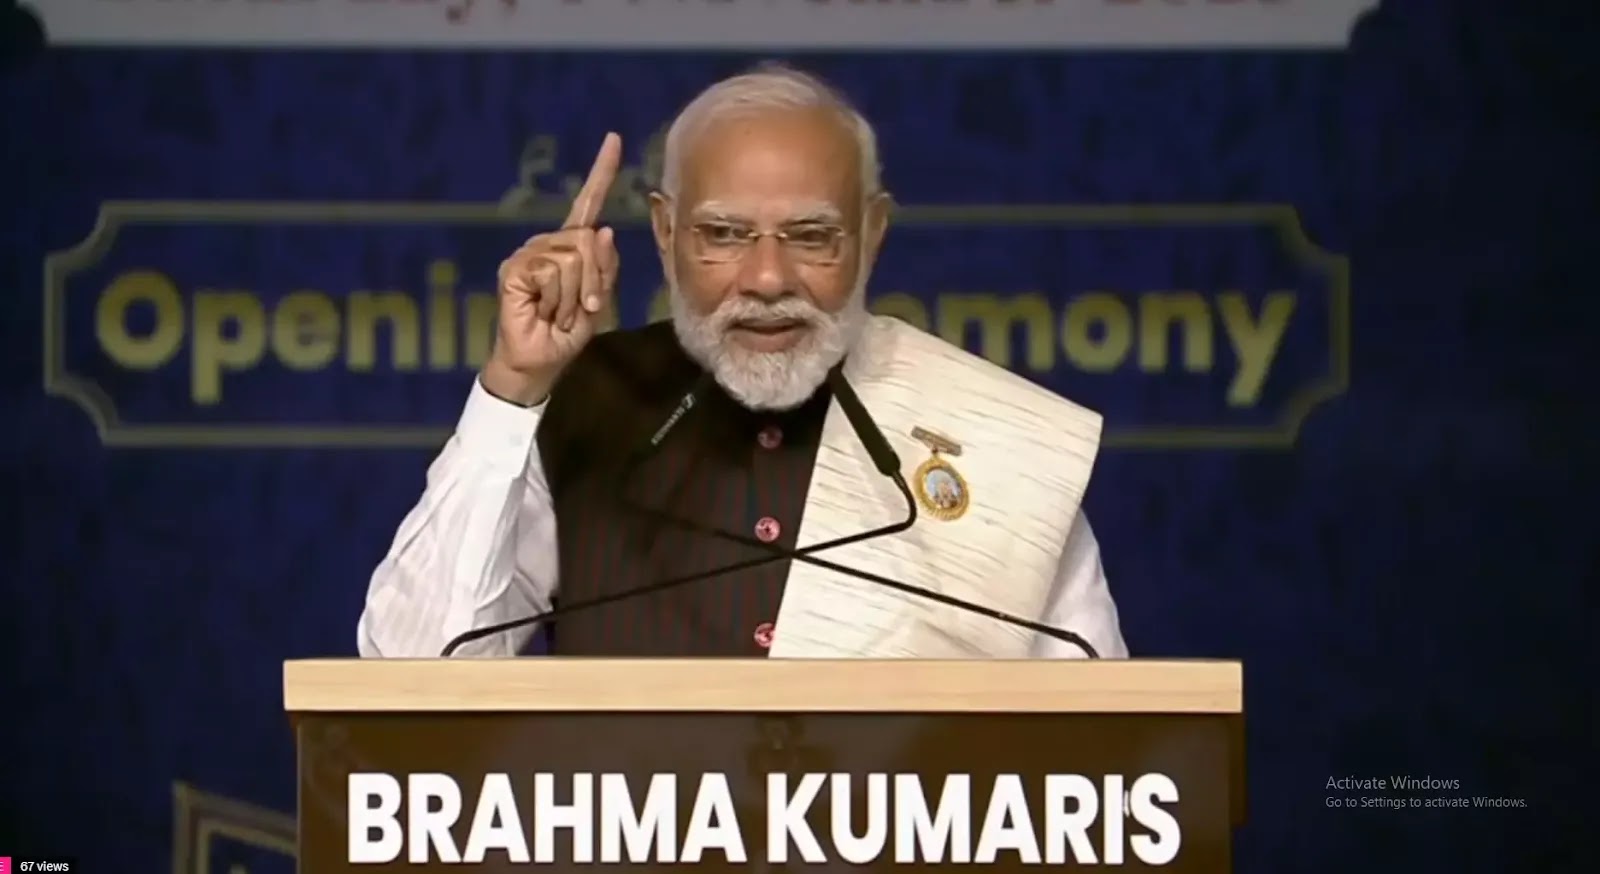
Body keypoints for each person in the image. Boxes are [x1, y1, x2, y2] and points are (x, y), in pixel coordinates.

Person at [357, 63, 1128, 660]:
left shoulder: (993, 444)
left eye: (811, 236)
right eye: (723, 235)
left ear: (873, 234)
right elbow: (409, 675)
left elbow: (1106, 750)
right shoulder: (581, 406)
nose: (766, 279)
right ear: (665, 234)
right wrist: (515, 389)